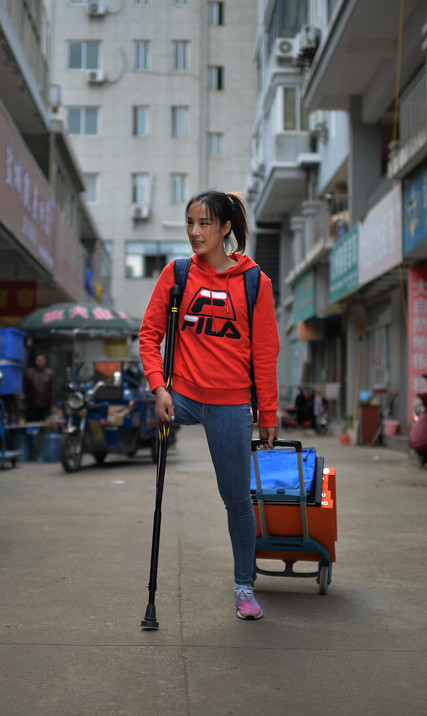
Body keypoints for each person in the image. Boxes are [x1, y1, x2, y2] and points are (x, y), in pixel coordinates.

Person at [139, 190, 279, 621]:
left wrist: (268, 413)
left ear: (225, 229)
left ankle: (243, 585)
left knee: (236, 500)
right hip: (180, 396)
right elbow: (148, 336)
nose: (194, 233)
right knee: (131, 413)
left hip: (231, 404)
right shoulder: (177, 274)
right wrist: (158, 388)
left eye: (204, 224)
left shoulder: (255, 281)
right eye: (189, 223)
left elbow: (265, 353)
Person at [24, 353, 54, 422]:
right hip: (32, 406)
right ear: (35, 361)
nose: (40, 361)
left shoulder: (49, 374)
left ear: (44, 361)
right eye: (38, 360)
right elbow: (25, 389)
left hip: (45, 405)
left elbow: (52, 390)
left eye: (41, 360)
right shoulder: (29, 373)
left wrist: (52, 405)